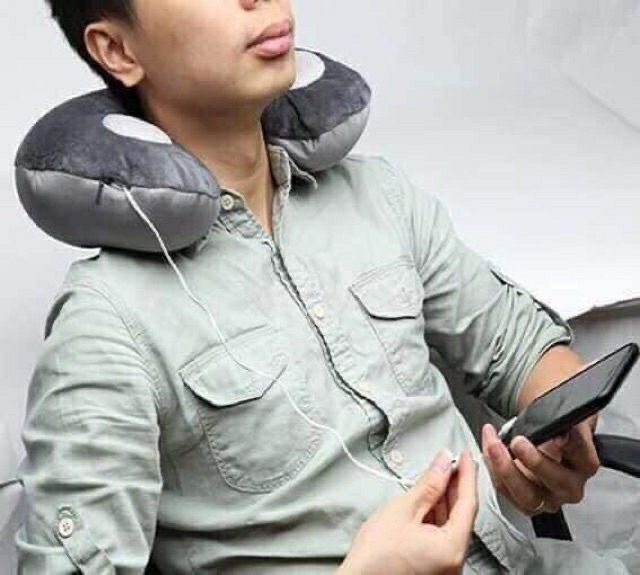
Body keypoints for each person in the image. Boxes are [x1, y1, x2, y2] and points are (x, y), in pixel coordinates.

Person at [15, 0, 630, 573]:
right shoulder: (105, 321)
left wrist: (558, 438)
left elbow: (521, 347)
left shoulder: (379, 196)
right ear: (119, 50)